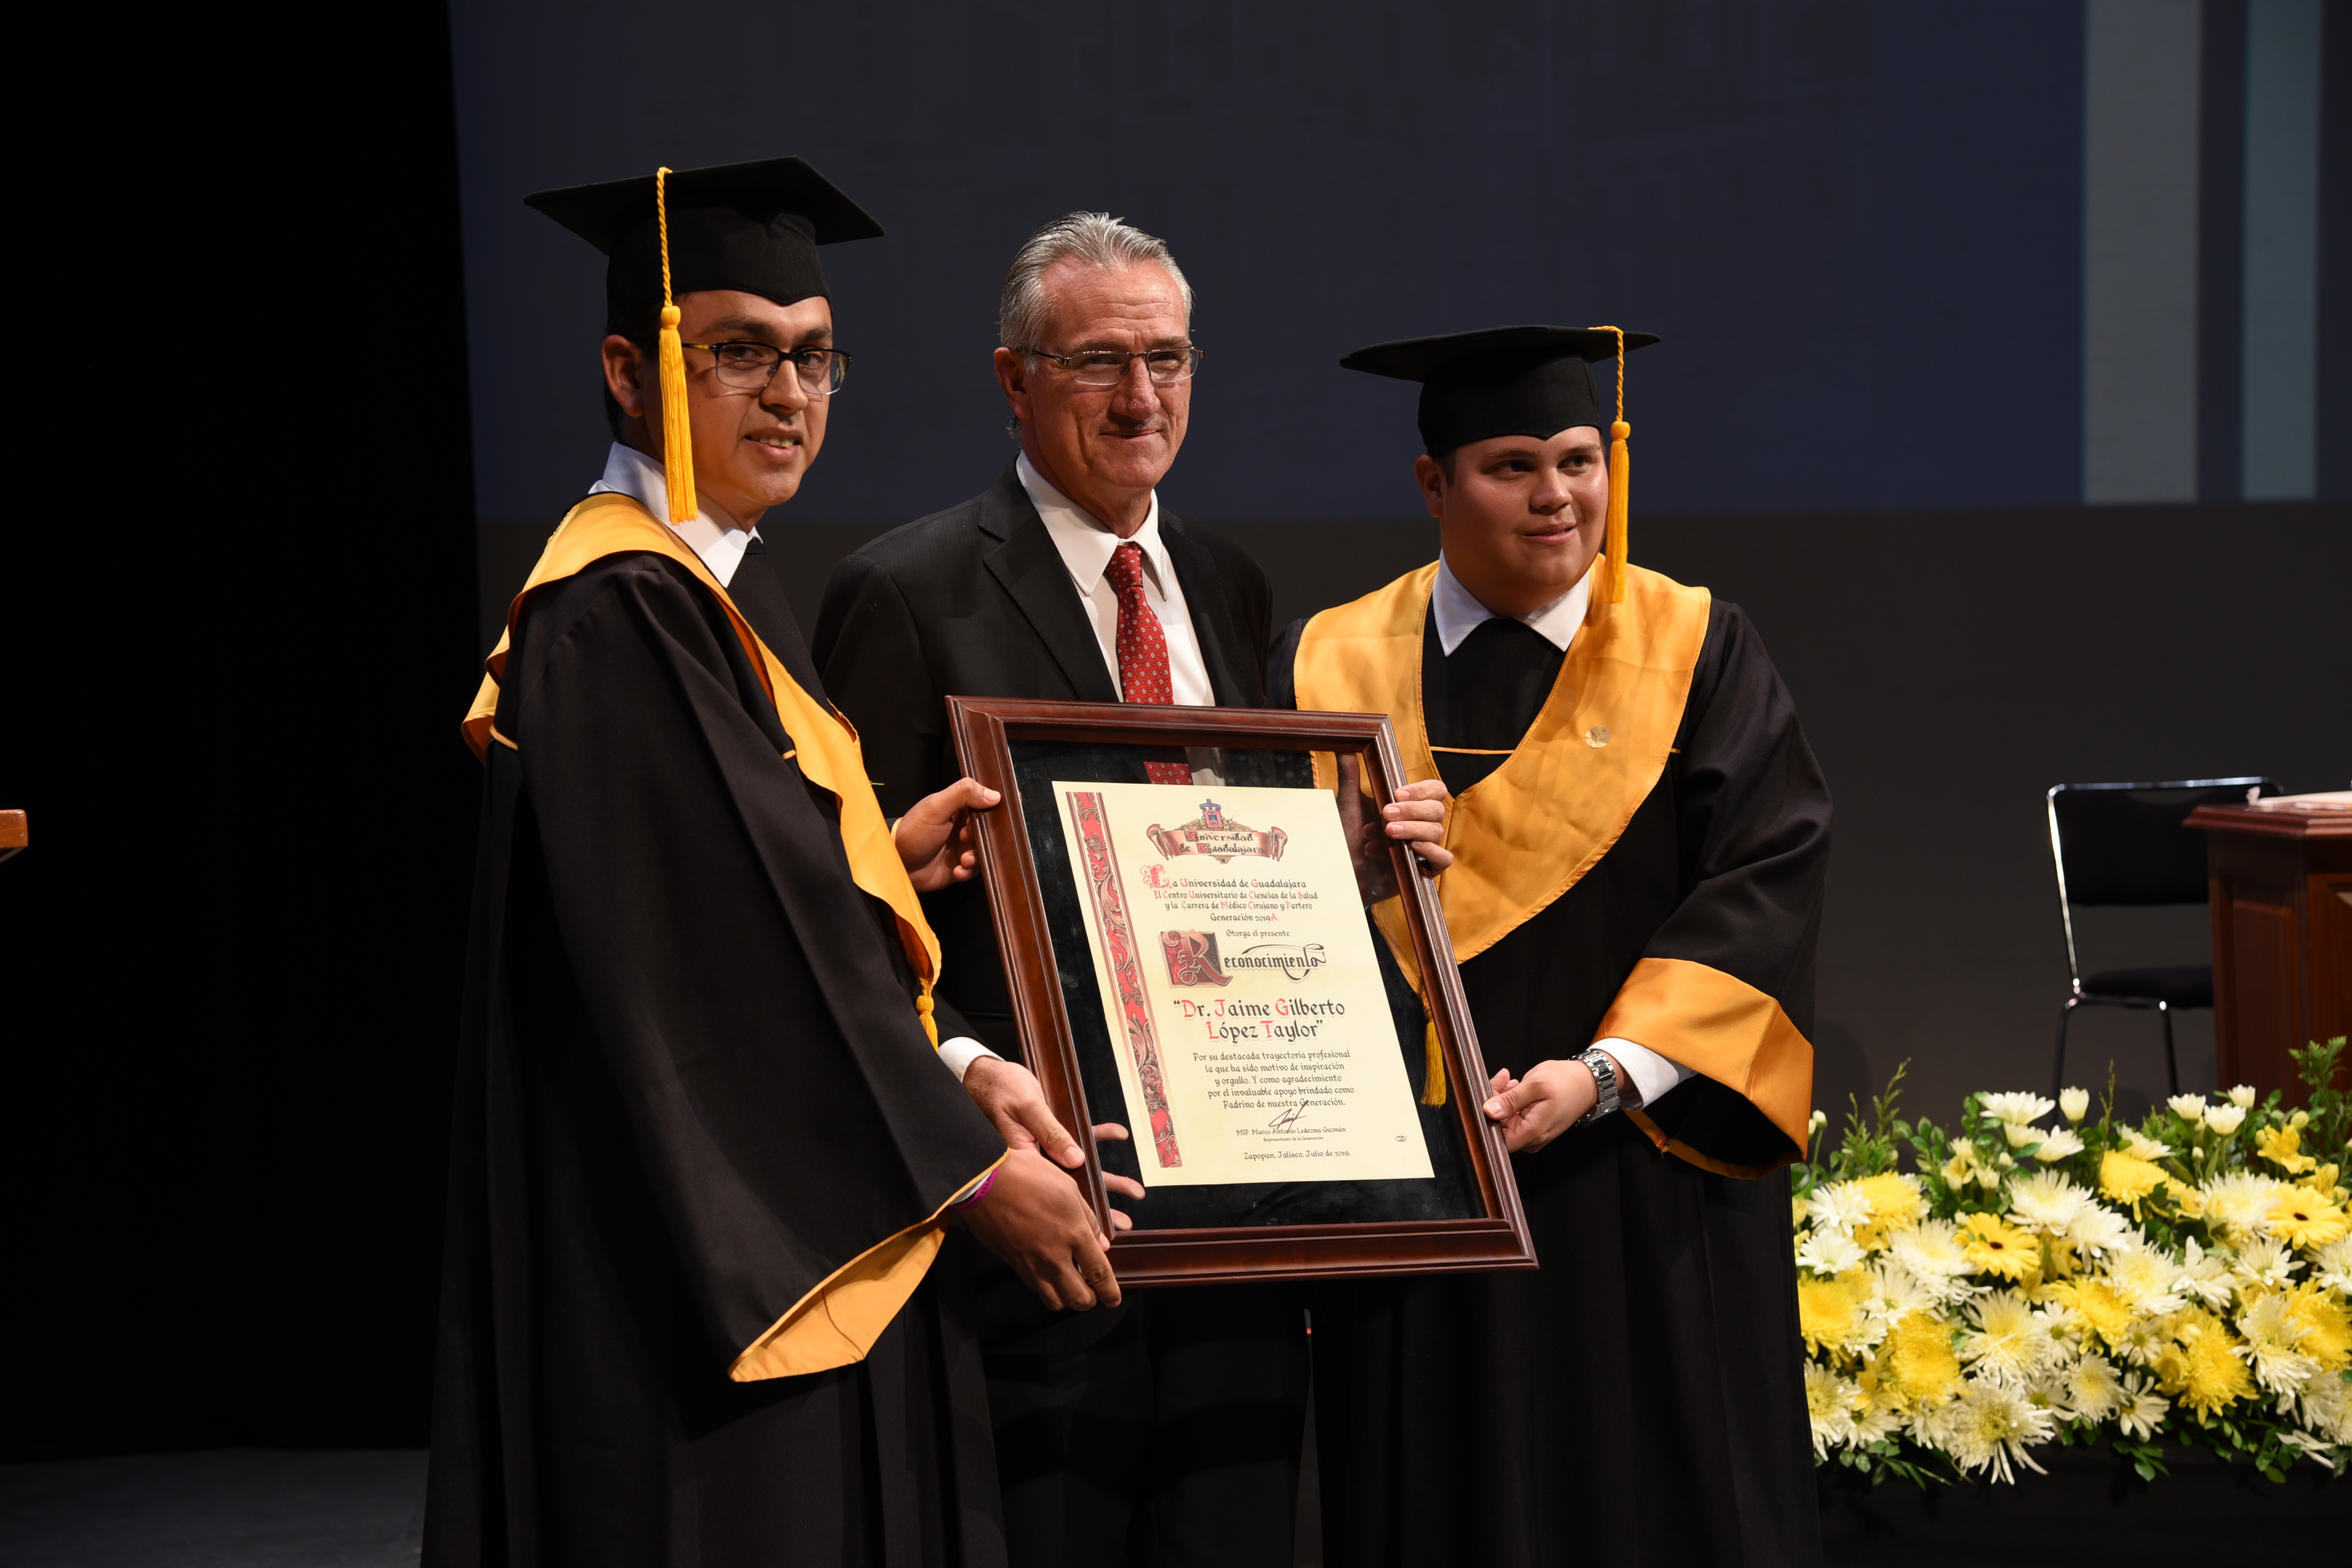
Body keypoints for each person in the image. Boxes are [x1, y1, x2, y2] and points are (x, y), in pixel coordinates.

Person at [424, 158, 1118, 1568]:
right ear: (631, 372)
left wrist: (881, 886)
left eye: (812, 357)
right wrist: (972, 1171)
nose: (788, 394)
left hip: (759, 1213)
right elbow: (729, 966)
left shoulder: (724, 588)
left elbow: (757, 882)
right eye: (737, 353)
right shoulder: (621, 611)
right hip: (691, 1265)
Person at [811, 214, 1443, 1567]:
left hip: (1234, 1212)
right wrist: (974, 1132)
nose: (1142, 396)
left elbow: (1226, 872)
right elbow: (849, 923)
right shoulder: (907, 592)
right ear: (1013, 379)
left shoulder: (1223, 582)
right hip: (1042, 1207)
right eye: (1100, 361)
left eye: (1167, 358)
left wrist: (1351, 873)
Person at [1273, 326, 1831, 1566]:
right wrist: (1350, 868)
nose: (1558, 495)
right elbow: (1255, 917)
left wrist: (1606, 1074)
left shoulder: (1699, 649)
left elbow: (1764, 878)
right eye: (1512, 463)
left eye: (1580, 459)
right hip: (1416, 1180)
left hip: (1638, 1177)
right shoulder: (1328, 660)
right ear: (1433, 485)